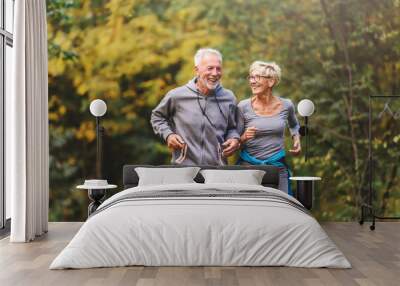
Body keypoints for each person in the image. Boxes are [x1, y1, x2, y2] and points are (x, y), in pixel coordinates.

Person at [151, 48, 240, 165]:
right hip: (183, 168)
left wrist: (234, 139)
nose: (215, 73)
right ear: (197, 70)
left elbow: (232, 127)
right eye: (210, 68)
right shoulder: (177, 95)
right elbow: (157, 117)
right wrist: (169, 135)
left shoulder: (229, 97)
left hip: (217, 170)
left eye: (218, 69)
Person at [236, 61, 301, 195]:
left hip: (277, 166)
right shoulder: (243, 107)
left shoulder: (286, 105)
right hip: (248, 167)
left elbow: (294, 125)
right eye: (251, 77)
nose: (252, 82)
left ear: (271, 81)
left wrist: (297, 139)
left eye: (257, 77)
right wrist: (243, 137)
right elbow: (234, 141)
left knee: (284, 204)